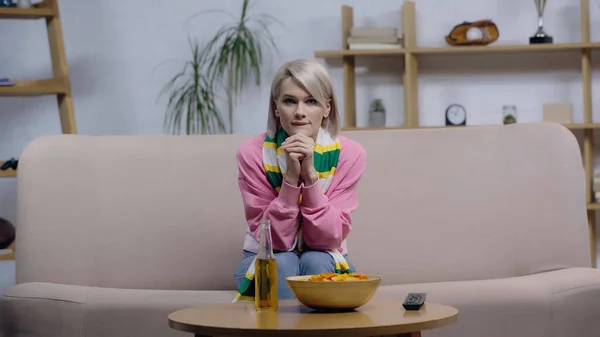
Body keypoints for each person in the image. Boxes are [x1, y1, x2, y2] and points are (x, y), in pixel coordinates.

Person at [233, 59, 367, 301]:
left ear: (327, 108)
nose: (299, 112)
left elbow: (328, 239)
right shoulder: (251, 153)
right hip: (264, 256)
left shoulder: (350, 154)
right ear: (276, 107)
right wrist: (292, 179)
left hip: (327, 254)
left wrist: (311, 176)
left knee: (316, 260)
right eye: (289, 101)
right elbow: (275, 242)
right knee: (281, 262)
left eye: (311, 101)